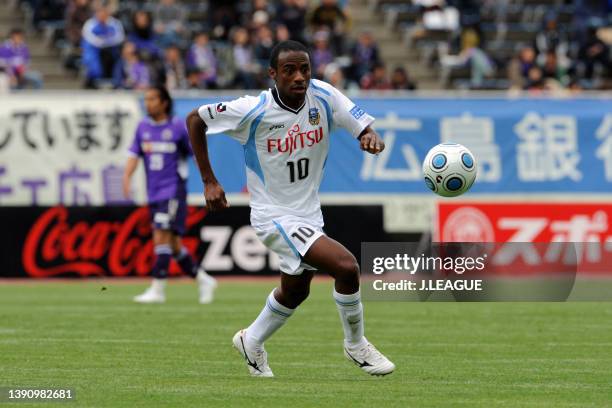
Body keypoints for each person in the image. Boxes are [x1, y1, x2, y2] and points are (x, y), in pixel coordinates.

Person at [186, 40, 395, 377]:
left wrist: (369, 136)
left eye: (305, 69)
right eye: (289, 70)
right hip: (273, 216)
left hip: (309, 213)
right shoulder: (252, 109)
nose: (299, 77)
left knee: (295, 291)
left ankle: (251, 340)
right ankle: (356, 345)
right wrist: (209, 180)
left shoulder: (324, 96)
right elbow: (195, 119)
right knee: (346, 267)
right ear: (273, 74)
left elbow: (363, 127)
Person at [123, 86, 217, 304]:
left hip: (172, 190)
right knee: (173, 244)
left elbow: (196, 153)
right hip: (154, 192)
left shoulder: (177, 127)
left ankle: (157, 288)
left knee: (161, 235)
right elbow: (133, 154)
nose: (148, 103)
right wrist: (127, 177)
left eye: (153, 98)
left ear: (164, 102)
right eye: (146, 99)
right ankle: (204, 279)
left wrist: (209, 180)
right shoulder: (142, 127)